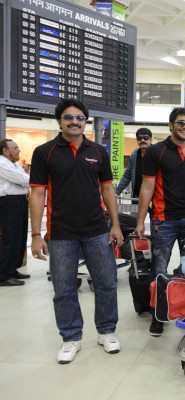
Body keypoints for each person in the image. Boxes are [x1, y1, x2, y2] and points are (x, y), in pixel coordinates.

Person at [29, 99, 124, 364]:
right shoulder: (44, 152)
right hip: (61, 234)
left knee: (106, 284)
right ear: (59, 121)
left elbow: (107, 190)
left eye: (80, 117)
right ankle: (71, 337)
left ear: (86, 121)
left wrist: (115, 224)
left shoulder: (98, 151)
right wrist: (36, 235)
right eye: (69, 117)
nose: (75, 122)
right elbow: (37, 193)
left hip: (97, 231)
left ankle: (107, 331)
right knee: (63, 289)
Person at [134, 107, 185, 337]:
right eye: (180, 123)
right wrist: (140, 221)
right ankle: (158, 315)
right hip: (163, 221)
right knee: (159, 270)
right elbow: (146, 187)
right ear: (170, 125)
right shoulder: (156, 152)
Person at [0, 139, 30, 286]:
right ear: (6, 150)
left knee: (20, 237)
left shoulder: (13, 163)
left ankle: (12, 269)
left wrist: (26, 178)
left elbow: (24, 179)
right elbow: (23, 179)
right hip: (8, 202)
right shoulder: (2, 163)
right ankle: (3, 275)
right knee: (11, 237)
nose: (19, 150)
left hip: (20, 201)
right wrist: (27, 178)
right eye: (15, 148)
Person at [115, 128, 153, 199]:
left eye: (145, 138)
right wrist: (117, 192)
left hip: (153, 197)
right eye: (139, 138)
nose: (142, 140)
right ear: (136, 140)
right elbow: (127, 175)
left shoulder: (157, 153)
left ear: (150, 139)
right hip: (137, 197)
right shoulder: (134, 154)